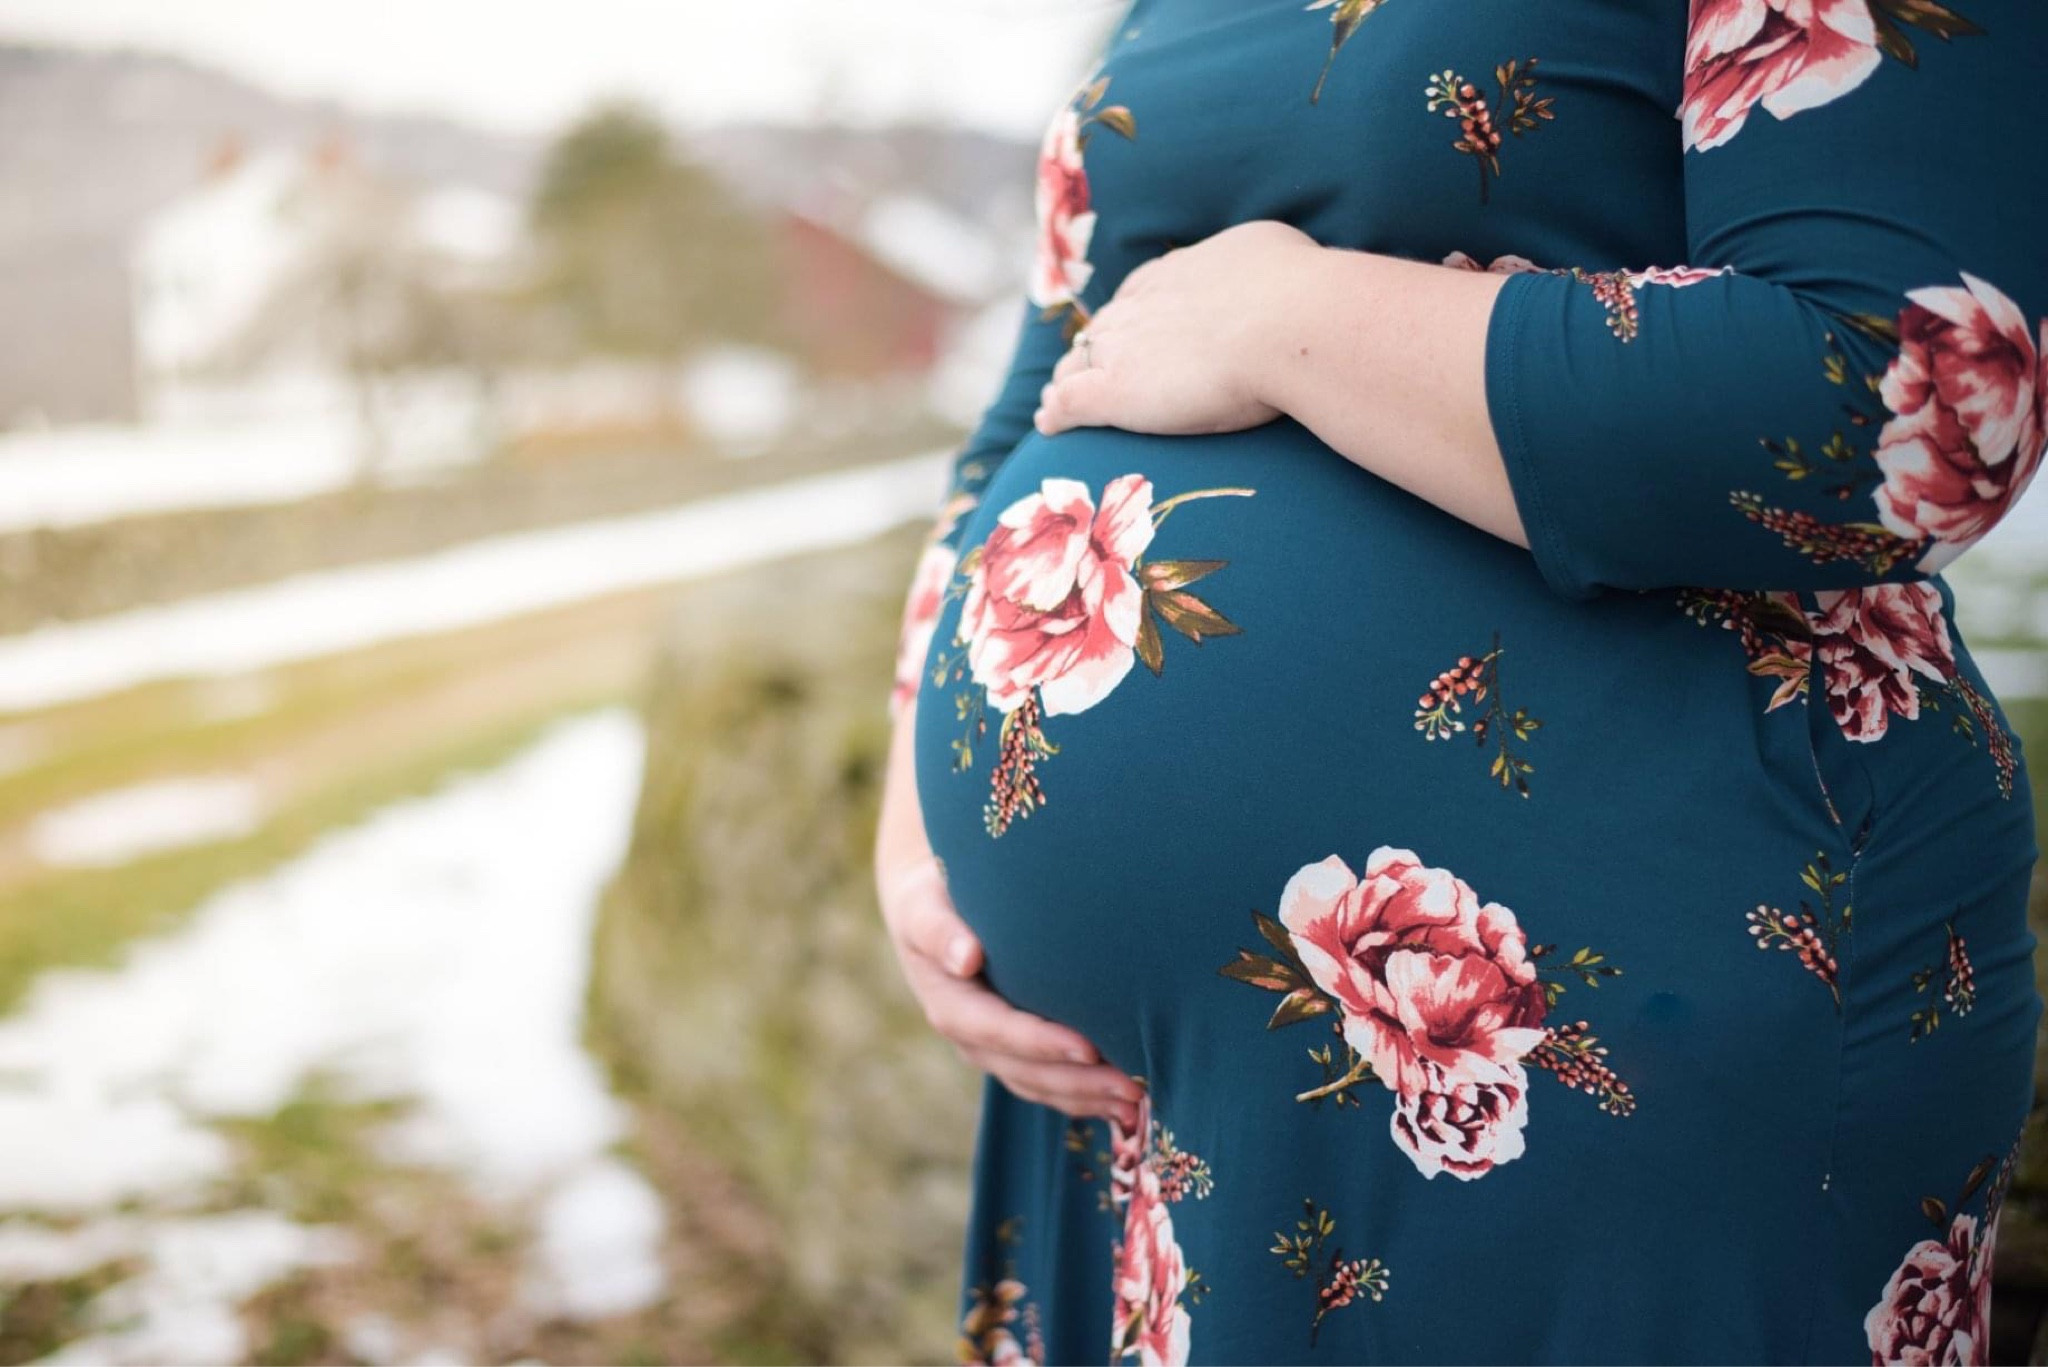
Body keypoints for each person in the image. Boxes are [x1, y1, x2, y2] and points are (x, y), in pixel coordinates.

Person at [871, 0, 2048, 1361]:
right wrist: (915, 837)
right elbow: (1052, 378)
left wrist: (1285, 321)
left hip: (1619, 1035)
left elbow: (1893, 400)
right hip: (1123, 1097)